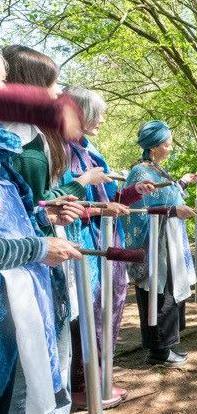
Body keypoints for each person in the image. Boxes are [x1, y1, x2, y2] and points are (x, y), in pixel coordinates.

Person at [2, 44, 105, 413]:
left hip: (37, 258)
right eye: (50, 84)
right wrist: (78, 187)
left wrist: (48, 215)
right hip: (20, 270)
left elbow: (26, 209)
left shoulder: (30, 137)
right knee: (24, 368)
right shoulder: (19, 142)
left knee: (47, 353)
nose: (57, 94)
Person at [62, 86, 155, 408]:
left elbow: (112, 200)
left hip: (106, 243)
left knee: (105, 312)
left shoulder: (90, 151)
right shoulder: (61, 151)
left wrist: (134, 192)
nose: (102, 119)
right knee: (82, 315)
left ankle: (99, 378)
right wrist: (102, 210)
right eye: (97, 113)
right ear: (80, 112)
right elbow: (63, 205)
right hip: (82, 245)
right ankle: (80, 386)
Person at [123, 120, 197, 366]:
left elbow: (169, 193)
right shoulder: (140, 173)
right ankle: (159, 351)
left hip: (170, 241)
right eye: (167, 144)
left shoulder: (157, 170)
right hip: (156, 245)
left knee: (170, 292)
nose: (170, 147)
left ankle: (167, 345)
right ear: (154, 147)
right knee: (159, 292)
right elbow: (139, 209)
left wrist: (184, 182)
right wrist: (174, 211)